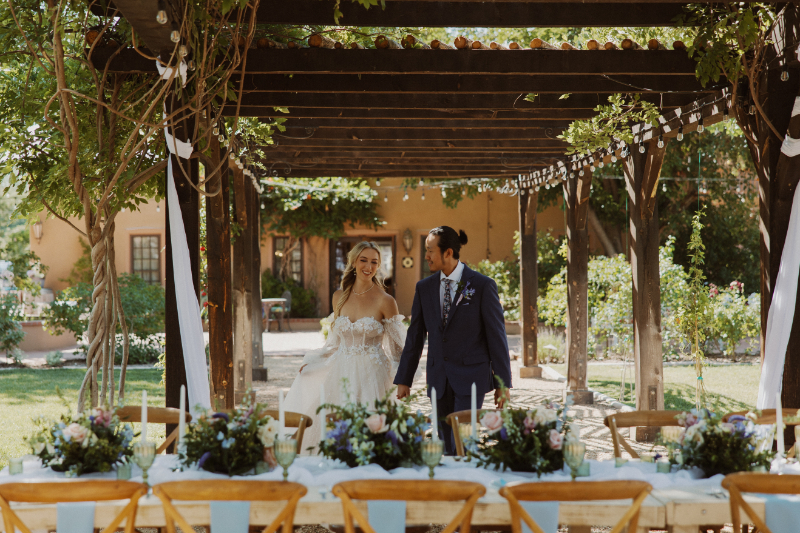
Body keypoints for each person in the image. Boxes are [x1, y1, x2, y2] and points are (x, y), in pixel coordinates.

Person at [394, 226, 512, 455]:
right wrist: (404, 379)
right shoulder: (423, 288)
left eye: (430, 250)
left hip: (471, 379)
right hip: (438, 378)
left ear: (448, 252)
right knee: (443, 442)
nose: (426, 256)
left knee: (464, 442)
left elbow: (497, 338)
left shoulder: (482, 285)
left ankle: (466, 486)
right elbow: (415, 336)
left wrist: (502, 383)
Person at [282, 241, 406, 452]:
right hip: (341, 372)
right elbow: (335, 343)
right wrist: (314, 362)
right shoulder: (339, 297)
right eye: (363, 260)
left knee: (371, 429)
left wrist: (404, 379)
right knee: (333, 424)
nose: (368, 266)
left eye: (374, 262)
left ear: (378, 266)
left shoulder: (386, 301)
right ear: (353, 262)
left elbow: (398, 350)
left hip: (373, 374)